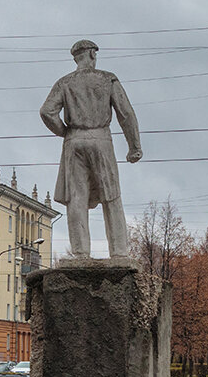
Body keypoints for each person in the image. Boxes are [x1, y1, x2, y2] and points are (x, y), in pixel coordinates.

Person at [39, 39, 142, 259]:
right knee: (111, 196)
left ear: (76, 57)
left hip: (74, 140)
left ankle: (81, 253)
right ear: (93, 55)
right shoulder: (107, 79)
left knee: (77, 198)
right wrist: (134, 146)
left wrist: (65, 131)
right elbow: (126, 114)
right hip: (101, 139)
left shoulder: (65, 82)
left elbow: (47, 112)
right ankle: (119, 252)